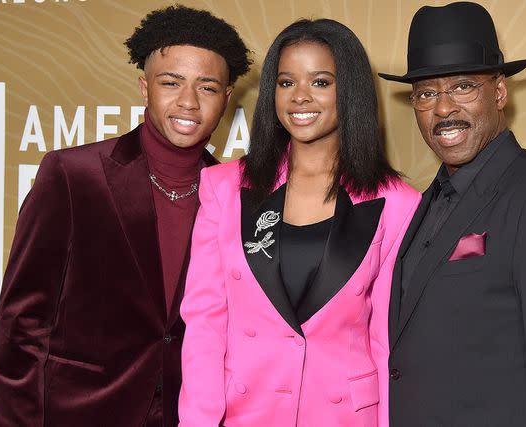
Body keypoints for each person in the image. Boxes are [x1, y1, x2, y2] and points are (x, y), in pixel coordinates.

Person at [0, 6, 250, 427]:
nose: (188, 101)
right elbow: (21, 326)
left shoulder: (237, 197)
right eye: (171, 83)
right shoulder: (73, 175)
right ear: (145, 88)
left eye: (207, 87)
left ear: (225, 97)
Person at [378, 2, 526, 426]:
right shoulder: (426, 201)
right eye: (427, 93)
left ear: (499, 92)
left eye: (463, 86)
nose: (443, 109)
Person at [178, 18, 421, 427]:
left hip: (344, 416)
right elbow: (205, 322)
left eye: (321, 82)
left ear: (350, 92)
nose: (300, 98)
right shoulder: (224, 188)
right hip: (245, 413)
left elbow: (385, 341)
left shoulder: (397, 203)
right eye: (286, 82)